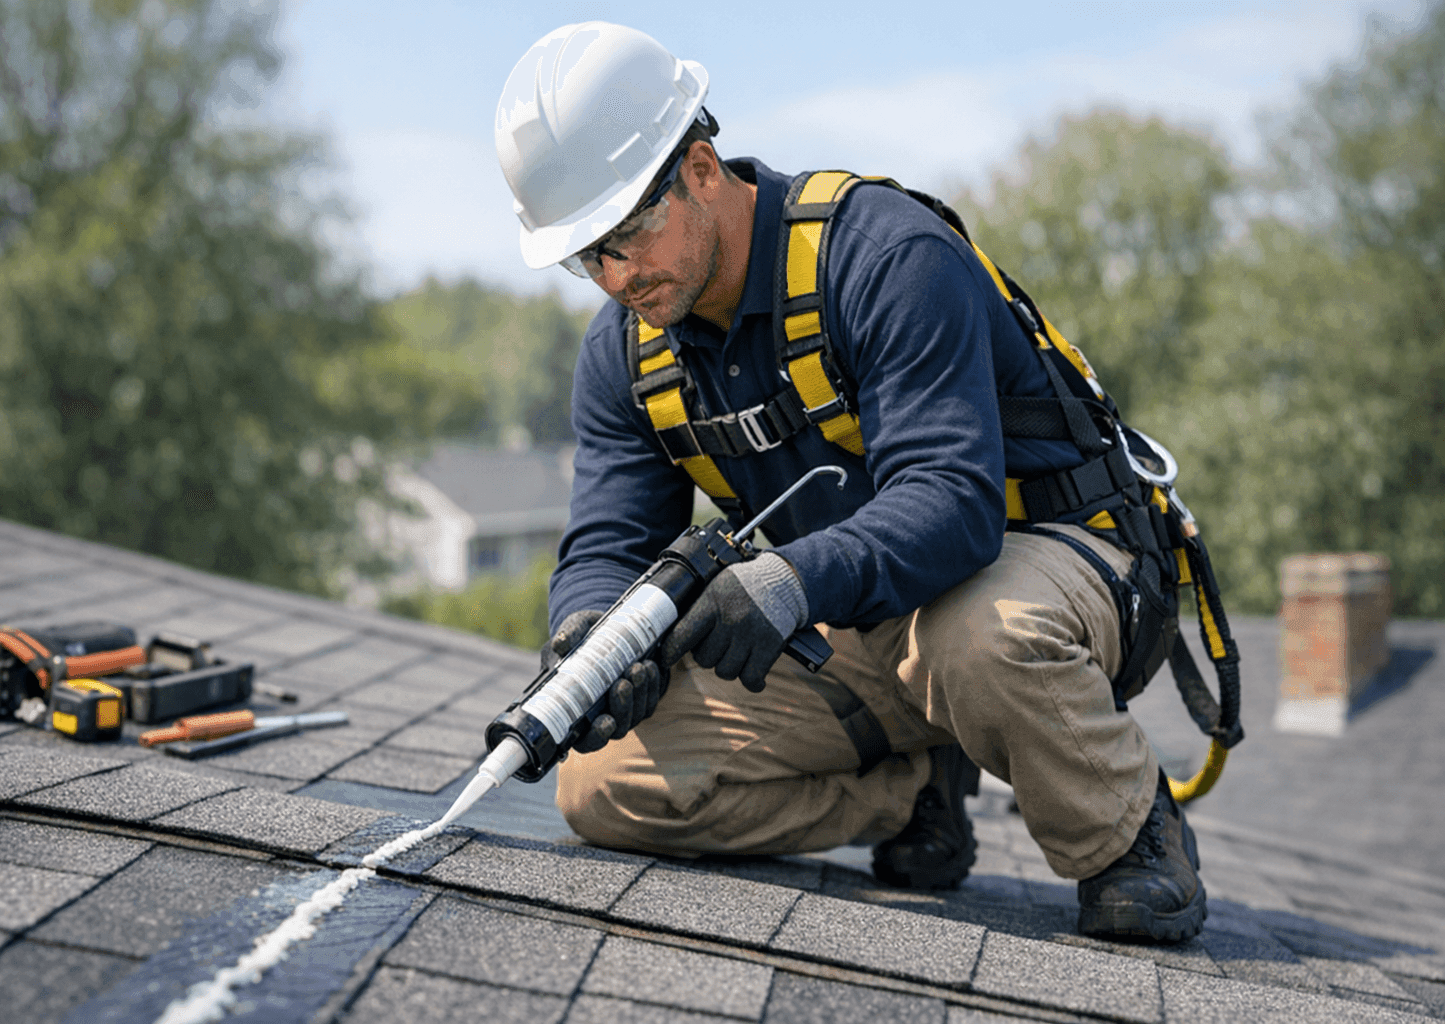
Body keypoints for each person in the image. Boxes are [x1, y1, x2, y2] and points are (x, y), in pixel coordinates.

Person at [494, 21, 1205, 943]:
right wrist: (590, 631)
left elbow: (953, 503)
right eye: (588, 254)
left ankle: (1126, 837)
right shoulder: (626, 356)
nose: (616, 275)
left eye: (630, 233)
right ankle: (910, 793)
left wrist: (789, 581)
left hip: (1052, 568)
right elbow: (608, 543)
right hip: (871, 617)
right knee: (607, 788)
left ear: (702, 168)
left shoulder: (883, 258)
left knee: (974, 640)